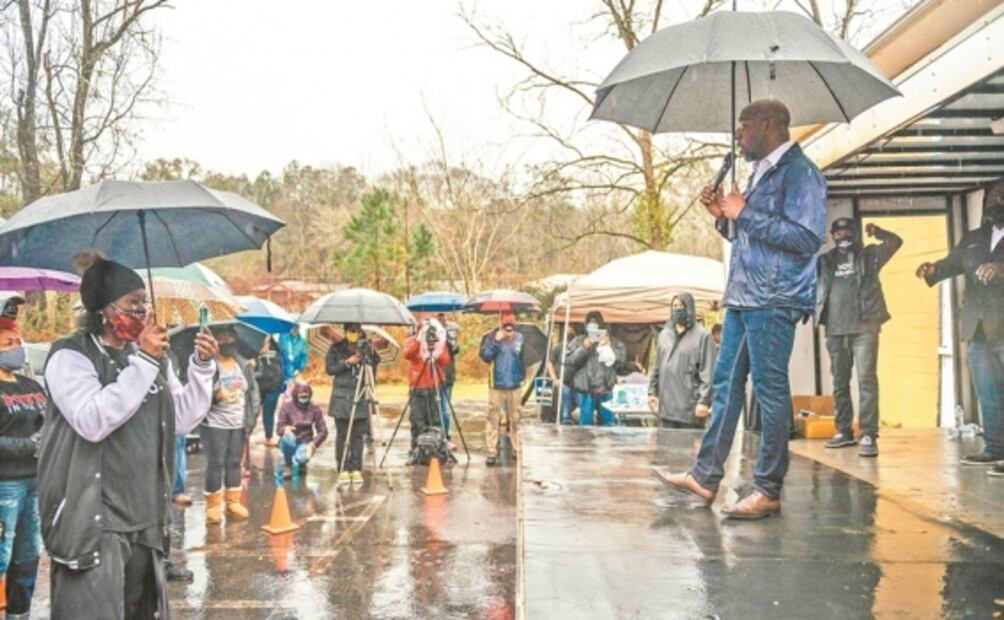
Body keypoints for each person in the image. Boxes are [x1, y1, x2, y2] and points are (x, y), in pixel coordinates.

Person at [654, 99, 826, 520]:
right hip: (744, 295)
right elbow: (749, 237)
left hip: (775, 297)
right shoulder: (759, 173)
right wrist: (724, 217)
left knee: (768, 390)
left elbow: (806, 238)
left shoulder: (801, 173)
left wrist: (744, 213)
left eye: (743, 125)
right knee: (725, 384)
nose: (737, 134)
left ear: (768, 125)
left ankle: (768, 489)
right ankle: (704, 475)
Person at [39, 253, 218, 619]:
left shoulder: (147, 357)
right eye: (133, 303)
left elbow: (182, 418)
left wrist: (201, 367)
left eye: (144, 303)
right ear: (104, 308)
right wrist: (145, 363)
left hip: (145, 517)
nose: (142, 312)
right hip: (96, 522)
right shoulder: (70, 355)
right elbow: (92, 420)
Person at [917, 177, 1004, 476]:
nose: (996, 202)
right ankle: (995, 448)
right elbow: (951, 264)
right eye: (992, 198)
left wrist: (1001, 269)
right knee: (988, 393)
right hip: (977, 328)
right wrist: (932, 269)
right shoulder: (973, 237)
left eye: (1002, 197)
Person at [816, 218, 902, 457]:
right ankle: (843, 431)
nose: (842, 236)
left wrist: (879, 232)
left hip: (865, 328)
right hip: (835, 329)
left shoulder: (870, 255)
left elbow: (895, 242)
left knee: (866, 380)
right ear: (833, 236)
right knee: (839, 382)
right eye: (838, 232)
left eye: (847, 231)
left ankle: (868, 434)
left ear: (855, 233)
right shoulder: (825, 261)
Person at [0, 316, 46, 618]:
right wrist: (29, 445)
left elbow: (51, 416)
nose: (16, 348)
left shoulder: (30, 384)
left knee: (28, 557)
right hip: (5, 484)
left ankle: (20, 614)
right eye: (7, 344)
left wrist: (48, 436)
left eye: (17, 341)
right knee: (1, 556)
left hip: (35, 482)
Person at [201, 325, 260, 525]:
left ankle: (233, 502)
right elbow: (197, 393)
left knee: (234, 463)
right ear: (215, 341)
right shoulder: (208, 366)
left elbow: (253, 392)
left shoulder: (242, 364)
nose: (227, 341)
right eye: (222, 338)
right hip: (215, 424)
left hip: (238, 424)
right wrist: (214, 395)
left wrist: (251, 418)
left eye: (231, 336)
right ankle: (213, 506)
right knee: (216, 464)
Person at [648, 294, 716, 429]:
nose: (677, 309)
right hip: (666, 409)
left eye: (681, 306)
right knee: (665, 442)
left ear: (689, 308)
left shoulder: (702, 336)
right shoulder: (664, 335)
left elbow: (708, 371)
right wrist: (652, 392)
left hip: (690, 410)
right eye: (674, 306)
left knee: (688, 443)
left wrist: (704, 401)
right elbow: (657, 366)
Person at [326, 323, 379, 483]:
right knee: (342, 435)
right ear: (345, 331)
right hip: (342, 397)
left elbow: (373, 373)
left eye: (356, 331)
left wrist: (370, 355)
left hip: (361, 394)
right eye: (351, 330)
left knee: (358, 436)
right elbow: (330, 369)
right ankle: (343, 468)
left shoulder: (366, 348)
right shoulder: (336, 348)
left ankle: (356, 469)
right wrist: (347, 362)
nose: (353, 333)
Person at [479, 313, 526, 465]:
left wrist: (522, 376)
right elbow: (485, 357)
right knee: (493, 418)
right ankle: (491, 451)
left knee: (516, 418)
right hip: (496, 385)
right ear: (501, 326)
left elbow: (522, 358)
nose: (509, 331)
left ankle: (517, 450)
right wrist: (496, 341)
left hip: (515, 385)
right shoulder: (491, 337)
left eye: (511, 328)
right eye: (506, 328)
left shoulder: (520, 338)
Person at [566, 310, 626, 427]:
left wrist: (609, 347)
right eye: (590, 323)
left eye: (595, 323)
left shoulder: (613, 341)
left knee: (608, 427)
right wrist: (584, 347)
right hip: (585, 389)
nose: (592, 326)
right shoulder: (578, 341)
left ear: (601, 325)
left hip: (606, 389)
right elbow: (570, 361)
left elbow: (621, 362)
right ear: (586, 325)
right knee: (585, 427)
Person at [404, 320, 450, 464]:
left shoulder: (438, 342)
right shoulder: (413, 340)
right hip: (417, 385)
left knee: (435, 421)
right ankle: (416, 450)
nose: (429, 335)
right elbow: (407, 354)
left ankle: (435, 449)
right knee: (417, 421)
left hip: (434, 385)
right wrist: (419, 340)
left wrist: (436, 348)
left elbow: (444, 360)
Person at [276, 382, 328, 479]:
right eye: (300, 394)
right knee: (288, 439)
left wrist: (313, 444)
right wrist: (285, 429)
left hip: (306, 442)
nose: (303, 397)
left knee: (302, 458)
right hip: (290, 439)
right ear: (295, 394)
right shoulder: (286, 406)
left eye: (306, 394)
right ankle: (288, 464)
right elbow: (279, 428)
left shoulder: (314, 408)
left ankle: (302, 464)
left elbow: (323, 430)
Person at [437, 312, 461, 446]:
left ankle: (445, 433)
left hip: (448, 376)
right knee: (436, 408)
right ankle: (438, 432)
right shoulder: (432, 334)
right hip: (434, 376)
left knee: (445, 408)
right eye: (439, 317)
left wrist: (448, 338)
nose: (441, 319)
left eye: (443, 316)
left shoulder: (451, 332)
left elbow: (456, 349)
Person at [255, 337, 283, 447]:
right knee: (253, 411)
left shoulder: (277, 348)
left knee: (268, 413)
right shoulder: (253, 347)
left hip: (273, 386)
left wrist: (282, 381)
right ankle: (244, 436)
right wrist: (259, 352)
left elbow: (283, 364)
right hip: (258, 385)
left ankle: (269, 437)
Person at [548, 323, 578, 425]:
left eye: (571, 329)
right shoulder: (559, 347)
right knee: (564, 412)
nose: (569, 331)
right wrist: (554, 379)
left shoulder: (579, 346)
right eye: (567, 329)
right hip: (562, 383)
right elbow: (550, 363)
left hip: (578, 384)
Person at [278, 324, 308, 393]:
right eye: (293, 327)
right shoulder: (283, 337)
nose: (294, 330)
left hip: (295, 374)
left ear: (299, 328)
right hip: (283, 373)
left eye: (296, 328)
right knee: (282, 394)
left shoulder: (302, 342)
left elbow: (304, 357)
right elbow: (279, 352)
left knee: (294, 394)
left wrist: (299, 369)